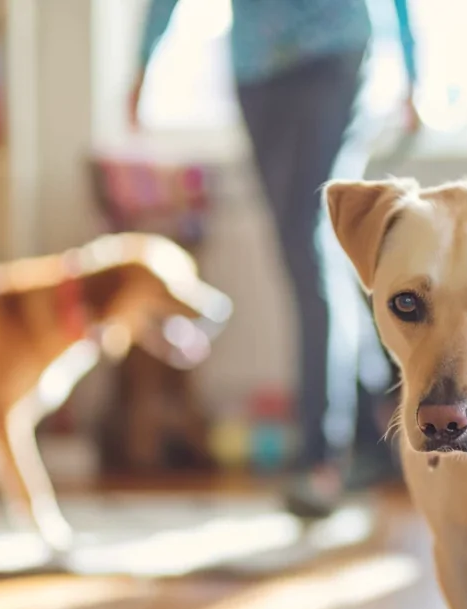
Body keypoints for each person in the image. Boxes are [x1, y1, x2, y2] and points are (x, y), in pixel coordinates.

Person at [130, 0, 420, 518]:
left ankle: (319, 458)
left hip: (331, 50)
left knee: (307, 242)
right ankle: (375, 424)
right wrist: (142, 65)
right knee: (302, 249)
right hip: (256, 68)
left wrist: (416, 73)